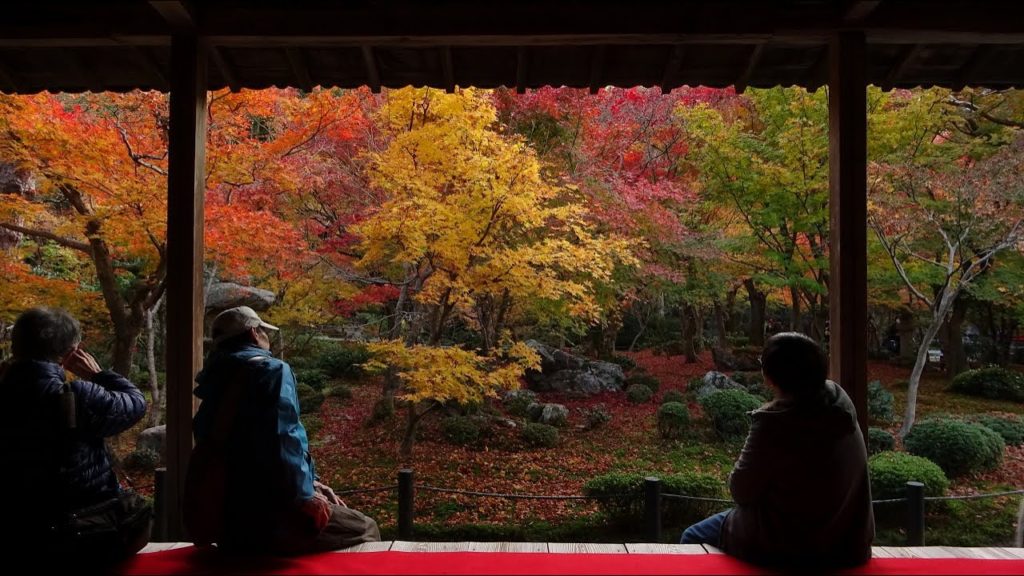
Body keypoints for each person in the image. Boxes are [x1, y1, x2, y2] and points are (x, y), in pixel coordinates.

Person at [191, 305, 379, 554]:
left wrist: (313, 482)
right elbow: (283, 437)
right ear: (253, 333)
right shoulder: (271, 370)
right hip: (270, 516)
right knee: (365, 527)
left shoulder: (213, 379)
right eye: (262, 331)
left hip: (227, 519)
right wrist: (306, 496)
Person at [681, 332, 874, 568]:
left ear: (770, 377)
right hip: (848, 543)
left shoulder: (775, 423)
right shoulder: (840, 404)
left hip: (791, 545)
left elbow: (741, 491)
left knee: (692, 537)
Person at [0, 307, 150, 565]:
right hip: (78, 536)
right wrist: (97, 375)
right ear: (70, 353)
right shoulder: (76, 396)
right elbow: (136, 404)